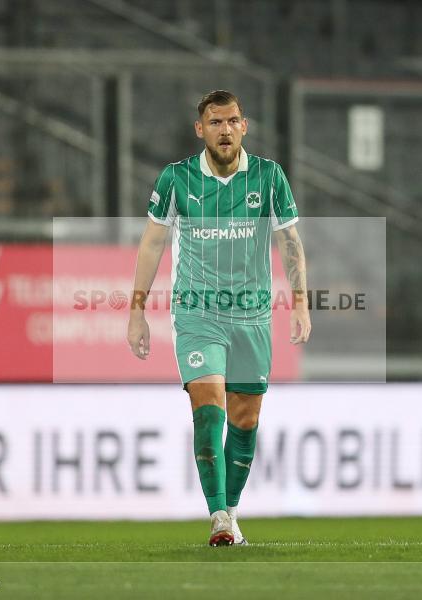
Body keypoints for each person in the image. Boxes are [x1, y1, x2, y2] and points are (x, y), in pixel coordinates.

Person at [127, 90, 311, 546]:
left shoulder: (269, 177)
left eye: (232, 121)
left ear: (244, 126)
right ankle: (218, 518)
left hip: (251, 317)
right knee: (208, 411)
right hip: (197, 313)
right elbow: (152, 244)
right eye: (215, 122)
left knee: (244, 422)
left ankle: (230, 511)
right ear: (200, 129)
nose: (224, 129)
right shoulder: (177, 179)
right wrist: (136, 311)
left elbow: (290, 243)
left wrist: (302, 300)